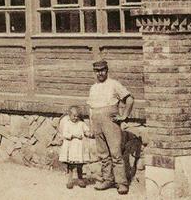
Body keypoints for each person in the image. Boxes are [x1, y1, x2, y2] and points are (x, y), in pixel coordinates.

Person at [87, 59, 133, 194]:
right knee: (103, 154)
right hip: (96, 122)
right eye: (97, 71)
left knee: (116, 154)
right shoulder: (93, 87)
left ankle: (122, 183)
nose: (99, 73)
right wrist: (91, 126)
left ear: (107, 70)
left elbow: (130, 100)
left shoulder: (114, 84)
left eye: (102, 70)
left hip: (110, 123)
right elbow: (91, 109)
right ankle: (107, 179)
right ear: (94, 72)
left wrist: (124, 116)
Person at [53, 104, 93, 189]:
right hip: (70, 147)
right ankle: (70, 180)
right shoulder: (67, 124)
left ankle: (80, 179)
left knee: (80, 164)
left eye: (77, 116)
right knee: (71, 165)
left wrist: (88, 133)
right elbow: (65, 134)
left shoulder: (81, 124)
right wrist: (74, 136)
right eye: (73, 116)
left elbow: (86, 130)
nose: (75, 118)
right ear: (69, 115)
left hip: (79, 147)